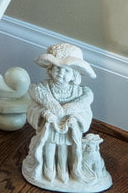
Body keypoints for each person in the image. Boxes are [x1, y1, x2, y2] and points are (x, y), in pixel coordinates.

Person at [24, 42, 95, 186]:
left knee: (64, 150)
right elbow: (33, 108)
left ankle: (63, 170)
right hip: (49, 129)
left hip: (69, 130)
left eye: (66, 71)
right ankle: (48, 169)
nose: (61, 73)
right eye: (57, 68)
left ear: (74, 75)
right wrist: (45, 113)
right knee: (49, 147)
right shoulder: (42, 89)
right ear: (50, 70)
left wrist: (75, 118)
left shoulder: (79, 93)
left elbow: (85, 112)